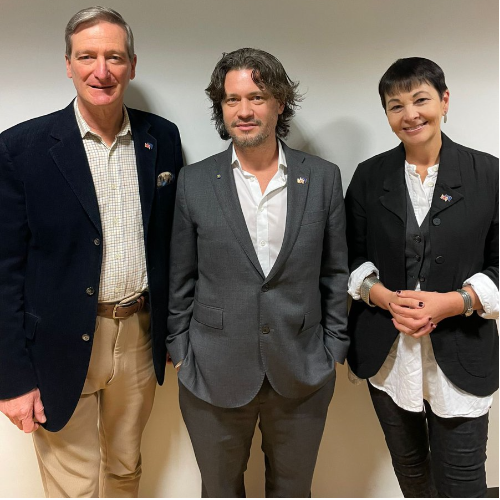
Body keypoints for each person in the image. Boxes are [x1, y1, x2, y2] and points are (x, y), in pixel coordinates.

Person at [0, 6, 182, 498]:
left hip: (140, 337)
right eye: (88, 56)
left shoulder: (161, 138)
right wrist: (12, 378)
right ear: (68, 65)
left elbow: (172, 240)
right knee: (73, 485)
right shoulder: (22, 148)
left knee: (125, 469)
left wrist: (174, 330)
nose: (101, 70)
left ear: (132, 65)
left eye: (114, 57)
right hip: (57, 343)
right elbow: (4, 271)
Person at [167, 47, 349, 498]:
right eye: (232, 100)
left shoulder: (323, 178)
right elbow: (180, 277)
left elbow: (335, 270)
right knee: (219, 489)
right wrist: (180, 349)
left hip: (303, 367)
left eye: (257, 97)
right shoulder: (194, 181)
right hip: (211, 369)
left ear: (280, 103)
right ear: (221, 107)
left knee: (293, 490)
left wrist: (334, 349)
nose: (244, 111)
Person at [345, 57, 499, 498]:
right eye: (396, 105)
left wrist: (456, 301)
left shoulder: (489, 174)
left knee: (463, 483)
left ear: (444, 101)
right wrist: (382, 296)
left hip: (463, 353)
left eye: (420, 100)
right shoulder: (369, 177)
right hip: (389, 358)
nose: (409, 114)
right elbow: (348, 256)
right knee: (412, 476)